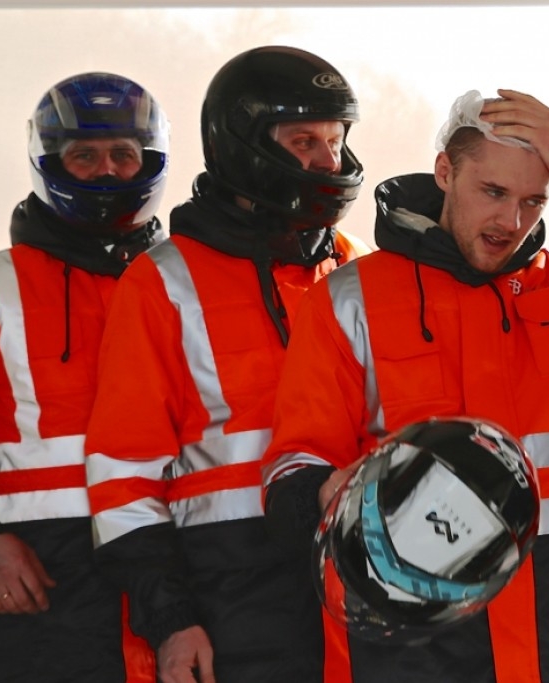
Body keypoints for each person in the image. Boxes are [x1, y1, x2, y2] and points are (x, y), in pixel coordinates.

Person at [260, 88, 549, 683]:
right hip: (421, 611)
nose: (511, 222)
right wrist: (328, 494)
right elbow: (295, 468)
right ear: (445, 171)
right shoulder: (349, 298)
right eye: (493, 192)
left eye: (533, 200)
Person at [83, 46, 369, 683]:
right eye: (305, 142)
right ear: (242, 146)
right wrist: (171, 620)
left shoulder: (354, 269)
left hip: (358, 580)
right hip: (230, 595)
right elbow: (122, 479)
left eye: (335, 140)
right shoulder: (162, 282)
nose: (330, 162)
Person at [0, 72, 168, 682]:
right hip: (38, 581)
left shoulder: (184, 281)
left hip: (173, 567)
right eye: (84, 156)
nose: (107, 170)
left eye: (124, 153)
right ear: (49, 164)